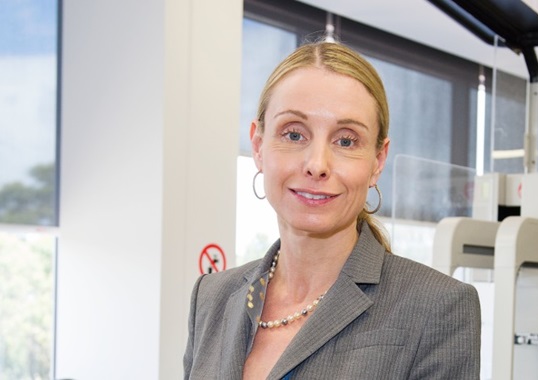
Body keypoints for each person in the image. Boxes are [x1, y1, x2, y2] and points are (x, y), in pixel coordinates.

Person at [184, 40, 481, 380]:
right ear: (258, 146)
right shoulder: (211, 298)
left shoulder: (436, 307)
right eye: (294, 134)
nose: (317, 164)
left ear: (377, 161)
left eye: (346, 140)